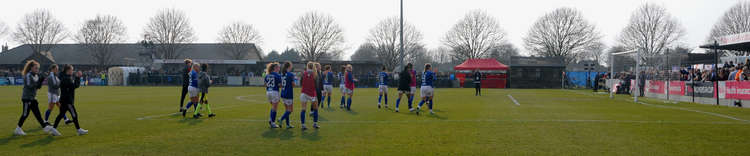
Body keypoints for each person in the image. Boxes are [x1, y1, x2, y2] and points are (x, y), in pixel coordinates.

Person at [15, 60, 54, 136]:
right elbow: (30, 86)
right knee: (25, 114)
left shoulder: (35, 75)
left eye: (38, 68)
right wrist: (39, 80)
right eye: (36, 68)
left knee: (37, 114)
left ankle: (44, 127)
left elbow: (38, 87)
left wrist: (41, 80)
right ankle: (18, 129)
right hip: (27, 98)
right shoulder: (28, 76)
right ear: (31, 68)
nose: (37, 70)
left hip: (33, 98)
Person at [49, 64, 88, 136]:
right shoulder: (66, 78)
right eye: (72, 70)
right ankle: (79, 130)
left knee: (61, 115)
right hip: (68, 101)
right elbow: (75, 86)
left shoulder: (64, 77)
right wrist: (78, 77)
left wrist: (76, 78)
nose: (72, 71)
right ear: (68, 70)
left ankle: (54, 129)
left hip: (64, 99)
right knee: (74, 115)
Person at [300, 62, 320, 130]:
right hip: (312, 93)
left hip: (304, 93)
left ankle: (303, 125)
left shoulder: (304, 73)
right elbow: (317, 86)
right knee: (315, 109)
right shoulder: (315, 74)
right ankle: (315, 124)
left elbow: (300, 83)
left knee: (303, 109)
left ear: (308, 66)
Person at [264, 62, 282, 128]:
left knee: (273, 107)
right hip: (274, 92)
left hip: (268, 92)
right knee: (275, 108)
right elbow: (280, 85)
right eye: (278, 67)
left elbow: (265, 84)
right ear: (275, 68)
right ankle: (273, 123)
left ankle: (270, 119)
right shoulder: (277, 75)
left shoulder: (267, 75)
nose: (279, 69)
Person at [278, 62, 296, 128]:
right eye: (291, 65)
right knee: (290, 110)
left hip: (283, 93)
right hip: (288, 94)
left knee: (287, 110)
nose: (292, 66)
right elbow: (293, 84)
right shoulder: (290, 74)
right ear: (289, 66)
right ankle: (281, 119)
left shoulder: (282, 74)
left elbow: (280, 84)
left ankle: (288, 125)